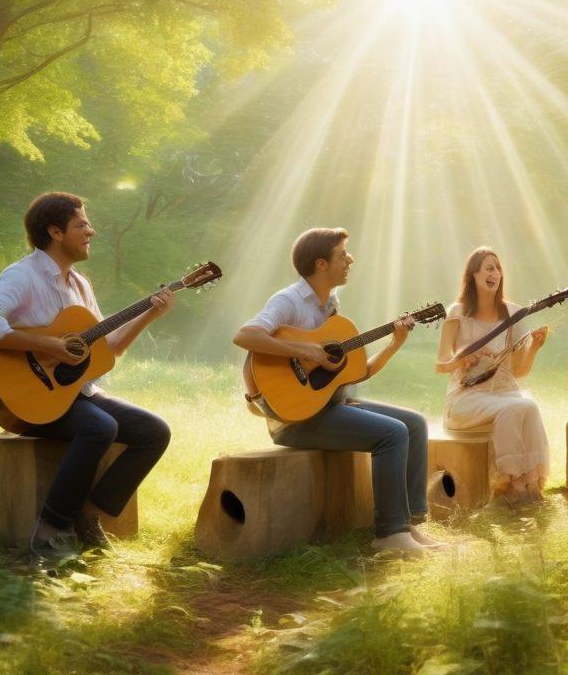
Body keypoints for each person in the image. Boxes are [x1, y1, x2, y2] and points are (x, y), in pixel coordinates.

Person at [0, 192, 174, 559]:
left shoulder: (80, 285)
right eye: (82, 224)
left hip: (75, 393)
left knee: (154, 431)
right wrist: (48, 347)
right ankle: (50, 529)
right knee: (100, 427)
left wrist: (149, 315)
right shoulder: (23, 275)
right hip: (27, 397)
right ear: (55, 231)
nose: (91, 231)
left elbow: (106, 352)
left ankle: (89, 518)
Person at [233, 227, 442, 555]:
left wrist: (394, 343)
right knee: (392, 434)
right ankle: (389, 534)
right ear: (320, 264)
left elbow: (360, 370)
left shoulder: (330, 306)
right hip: (295, 418)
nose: (350, 259)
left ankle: (408, 523)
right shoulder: (289, 300)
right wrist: (301, 351)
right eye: (342, 254)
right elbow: (245, 336)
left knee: (414, 424)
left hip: (330, 406)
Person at [436, 248, 549, 508]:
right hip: (466, 397)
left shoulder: (514, 314)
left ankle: (529, 485)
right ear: (473, 275)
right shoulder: (458, 313)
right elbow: (441, 365)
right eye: (488, 268)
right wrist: (465, 357)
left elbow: (519, 372)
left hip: (505, 393)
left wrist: (534, 347)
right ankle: (509, 485)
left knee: (527, 406)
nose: (495, 273)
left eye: (497, 269)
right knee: (516, 407)